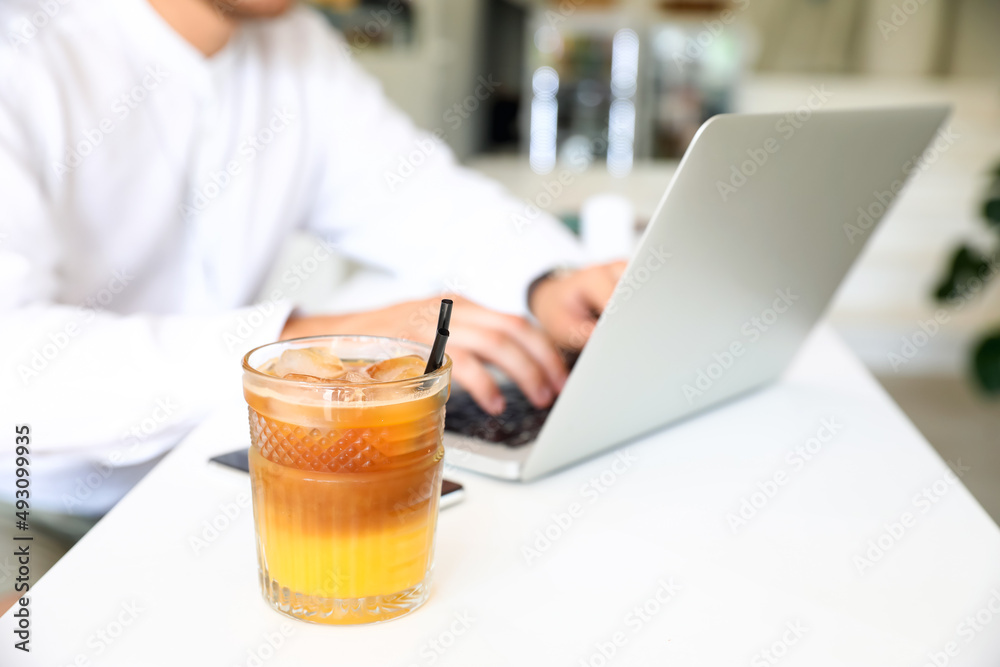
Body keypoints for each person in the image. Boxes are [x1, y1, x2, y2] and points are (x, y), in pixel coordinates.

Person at [0, 0, 625, 598]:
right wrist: (314, 345)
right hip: (33, 507)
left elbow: (424, 198)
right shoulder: (23, 53)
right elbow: (16, 374)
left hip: (223, 475)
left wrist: (547, 282)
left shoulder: (297, 44)